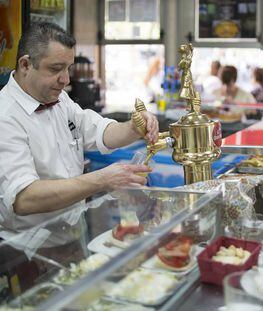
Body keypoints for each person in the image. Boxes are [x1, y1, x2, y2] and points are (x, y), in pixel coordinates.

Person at [0, 22, 159, 234]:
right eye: (56, 69)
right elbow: (24, 198)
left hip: (73, 236)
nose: (65, 80)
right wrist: (102, 179)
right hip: (27, 250)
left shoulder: (59, 99)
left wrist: (133, 127)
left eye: (68, 68)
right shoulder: (5, 116)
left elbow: (98, 131)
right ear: (25, 65)